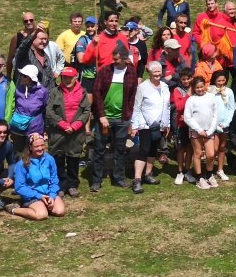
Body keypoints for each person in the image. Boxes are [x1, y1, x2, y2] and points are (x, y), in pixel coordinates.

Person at [90, 46, 138, 192]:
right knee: (99, 148)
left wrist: (129, 117)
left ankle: (118, 178)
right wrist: (102, 115)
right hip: (104, 118)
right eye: (113, 58)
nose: (114, 61)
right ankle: (96, 180)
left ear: (124, 58)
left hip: (122, 118)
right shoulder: (105, 71)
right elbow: (97, 93)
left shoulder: (131, 73)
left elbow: (132, 96)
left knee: (120, 149)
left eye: (117, 58)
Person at [45, 66, 90, 197]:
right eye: (64, 77)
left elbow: (86, 111)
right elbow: (49, 111)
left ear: (76, 77)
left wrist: (75, 126)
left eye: (70, 77)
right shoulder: (54, 92)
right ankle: (60, 185)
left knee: (73, 159)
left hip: (76, 133)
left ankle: (72, 185)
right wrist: (63, 125)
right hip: (58, 131)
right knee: (58, 158)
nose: (67, 79)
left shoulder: (82, 92)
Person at [129, 61, 171, 194]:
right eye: (155, 71)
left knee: (154, 148)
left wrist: (167, 123)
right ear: (150, 72)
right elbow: (137, 107)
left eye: (159, 71)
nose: (158, 74)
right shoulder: (142, 87)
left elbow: (167, 106)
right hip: (145, 123)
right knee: (144, 149)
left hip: (159, 123)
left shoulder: (165, 86)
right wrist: (135, 125)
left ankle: (148, 174)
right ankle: (137, 179)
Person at [9, 133, 67, 220]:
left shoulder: (49, 159)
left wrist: (52, 195)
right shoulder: (22, 164)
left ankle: (45, 206)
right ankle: (14, 209)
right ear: (30, 147)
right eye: (36, 146)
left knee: (60, 211)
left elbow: (54, 179)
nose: (40, 148)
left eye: (42, 145)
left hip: (48, 193)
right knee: (41, 215)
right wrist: (39, 196)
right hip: (32, 195)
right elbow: (19, 187)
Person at [182, 75, 219, 189]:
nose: (200, 89)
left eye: (202, 87)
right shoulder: (191, 100)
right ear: (194, 88)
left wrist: (211, 129)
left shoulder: (211, 97)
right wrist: (199, 130)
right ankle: (199, 178)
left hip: (209, 131)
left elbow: (215, 115)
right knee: (197, 154)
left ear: (205, 86)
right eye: (197, 87)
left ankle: (209, 175)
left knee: (211, 154)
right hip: (196, 131)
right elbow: (187, 117)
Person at [169, 67, 195, 185]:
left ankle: (188, 170)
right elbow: (179, 107)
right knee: (181, 149)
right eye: (183, 79)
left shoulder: (196, 89)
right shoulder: (177, 90)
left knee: (190, 149)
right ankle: (180, 171)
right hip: (181, 124)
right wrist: (188, 95)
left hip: (193, 125)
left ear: (192, 78)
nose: (186, 81)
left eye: (188, 79)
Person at [209, 71, 236, 178]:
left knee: (222, 147)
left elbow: (231, 108)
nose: (221, 83)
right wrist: (215, 124)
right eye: (218, 80)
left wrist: (226, 122)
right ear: (214, 81)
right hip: (214, 124)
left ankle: (220, 170)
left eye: (223, 80)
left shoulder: (229, 91)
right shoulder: (210, 91)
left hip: (225, 124)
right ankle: (210, 169)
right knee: (214, 149)